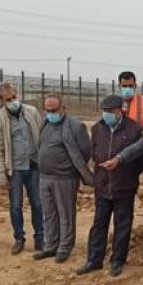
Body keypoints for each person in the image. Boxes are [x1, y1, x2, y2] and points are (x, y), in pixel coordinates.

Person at [77, 95, 143, 277]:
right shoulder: (97, 128)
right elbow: (94, 152)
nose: (106, 114)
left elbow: (140, 160)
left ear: (120, 111)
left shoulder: (134, 129)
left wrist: (128, 174)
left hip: (124, 186)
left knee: (122, 225)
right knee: (99, 224)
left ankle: (117, 260)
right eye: (104, 111)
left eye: (110, 111)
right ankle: (94, 260)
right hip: (102, 185)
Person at [34, 94, 94, 263]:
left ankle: (65, 247)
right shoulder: (44, 124)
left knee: (65, 214)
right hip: (45, 177)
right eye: (48, 110)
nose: (51, 113)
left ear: (63, 108)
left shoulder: (75, 126)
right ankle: (50, 246)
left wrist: (70, 167)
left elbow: (85, 151)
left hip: (65, 178)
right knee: (49, 213)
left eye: (54, 110)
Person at [0, 82, 44, 255]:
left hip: (34, 165)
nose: (13, 101)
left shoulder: (32, 112)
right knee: (15, 206)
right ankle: (19, 238)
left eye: (14, 97)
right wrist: (1, 175)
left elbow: (42, 136)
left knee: (38, 204)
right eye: (8, 99)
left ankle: (40, 238)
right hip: (15, 170)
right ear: (2, 101)